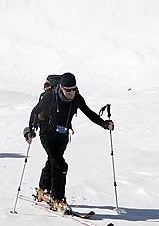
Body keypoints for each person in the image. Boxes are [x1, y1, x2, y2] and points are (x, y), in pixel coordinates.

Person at [23, 72, 114, 212]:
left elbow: (89, 113)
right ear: (61, 87)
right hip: (47, 134)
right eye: (68, 90)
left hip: (63, 136)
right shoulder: (50, 96)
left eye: (74, 89)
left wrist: (103, 123)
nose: (72, 92)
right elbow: (35, 111)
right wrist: (30, 129)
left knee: (52, 162)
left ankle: (43, 190)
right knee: (60, 164)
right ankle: (57, 199)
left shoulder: (77, 98)